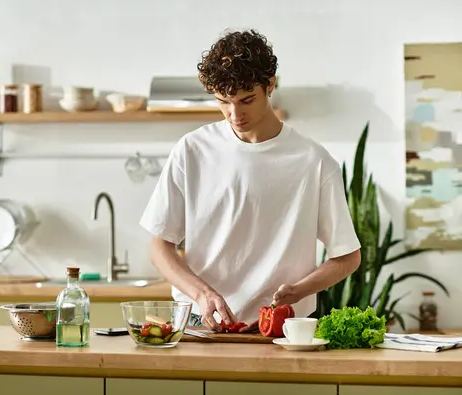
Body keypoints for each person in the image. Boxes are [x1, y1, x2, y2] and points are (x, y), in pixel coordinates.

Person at [139, 29, 361, 332]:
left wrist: (298, 291)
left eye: (247, 100)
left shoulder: (314, 161)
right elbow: (158, 247)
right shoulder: (192, 150)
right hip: (200, 321)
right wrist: (202, 294)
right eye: (223, 101)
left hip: (281, 327)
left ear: (270, 84)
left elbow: (347, 257)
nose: (234, 114)